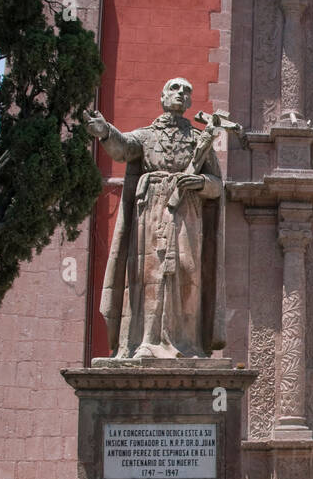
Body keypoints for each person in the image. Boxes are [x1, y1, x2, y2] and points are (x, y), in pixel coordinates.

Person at [83, 78, 225, 359]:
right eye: (174, 89)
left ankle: (188, 344)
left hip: (188, 213)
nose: (181, 94)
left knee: (186, 271)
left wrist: (198, 183)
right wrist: (104, 132)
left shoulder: (200, 140)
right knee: (151, 273)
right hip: (151, 211)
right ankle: (146, 342)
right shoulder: (147, 136)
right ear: (162, 97)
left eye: (187, 91)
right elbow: (123, 147)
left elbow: (217, 185)